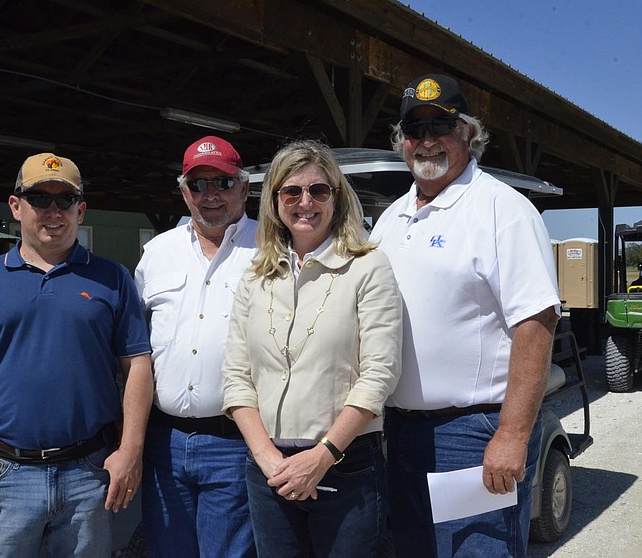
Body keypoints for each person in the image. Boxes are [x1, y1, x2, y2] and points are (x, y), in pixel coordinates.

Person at [369, 74, 561, 557]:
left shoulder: (502, 210)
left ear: (468, 134)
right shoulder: (392, 218)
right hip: (403, 431)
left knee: (476, 550)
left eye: (441, 126)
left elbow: (536, 325)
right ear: (402, 143)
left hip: (473, 433)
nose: (427, 140)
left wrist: (513, 434)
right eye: (415, 130)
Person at [0, 152, 153, 557]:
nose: (53, 211)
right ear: (16, 206)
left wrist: (130, 451)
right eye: (39, 198)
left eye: (65, 200)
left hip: (88, 474)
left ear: (81, 209)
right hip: (4, 476)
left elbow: (137, 364)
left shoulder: (112, 278)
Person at [222, 140, 402, 557]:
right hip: (269, 467)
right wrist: (267, 458)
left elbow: (379, 375)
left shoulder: (368, 266)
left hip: (346, 463)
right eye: (292, 191)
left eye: (319, 191)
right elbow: (236, 376)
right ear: (275, 200)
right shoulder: (256, 275)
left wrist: (323, 454)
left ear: (336, 198)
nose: (306, 202)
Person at [134, 136, 258, 558]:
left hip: (236, 443)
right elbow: (134, 351)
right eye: (199, 184)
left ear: (244, 188)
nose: (211, 196)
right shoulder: (156, 253)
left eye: (222, 183)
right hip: (163, 444)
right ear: (183, 190)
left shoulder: (272, 251)